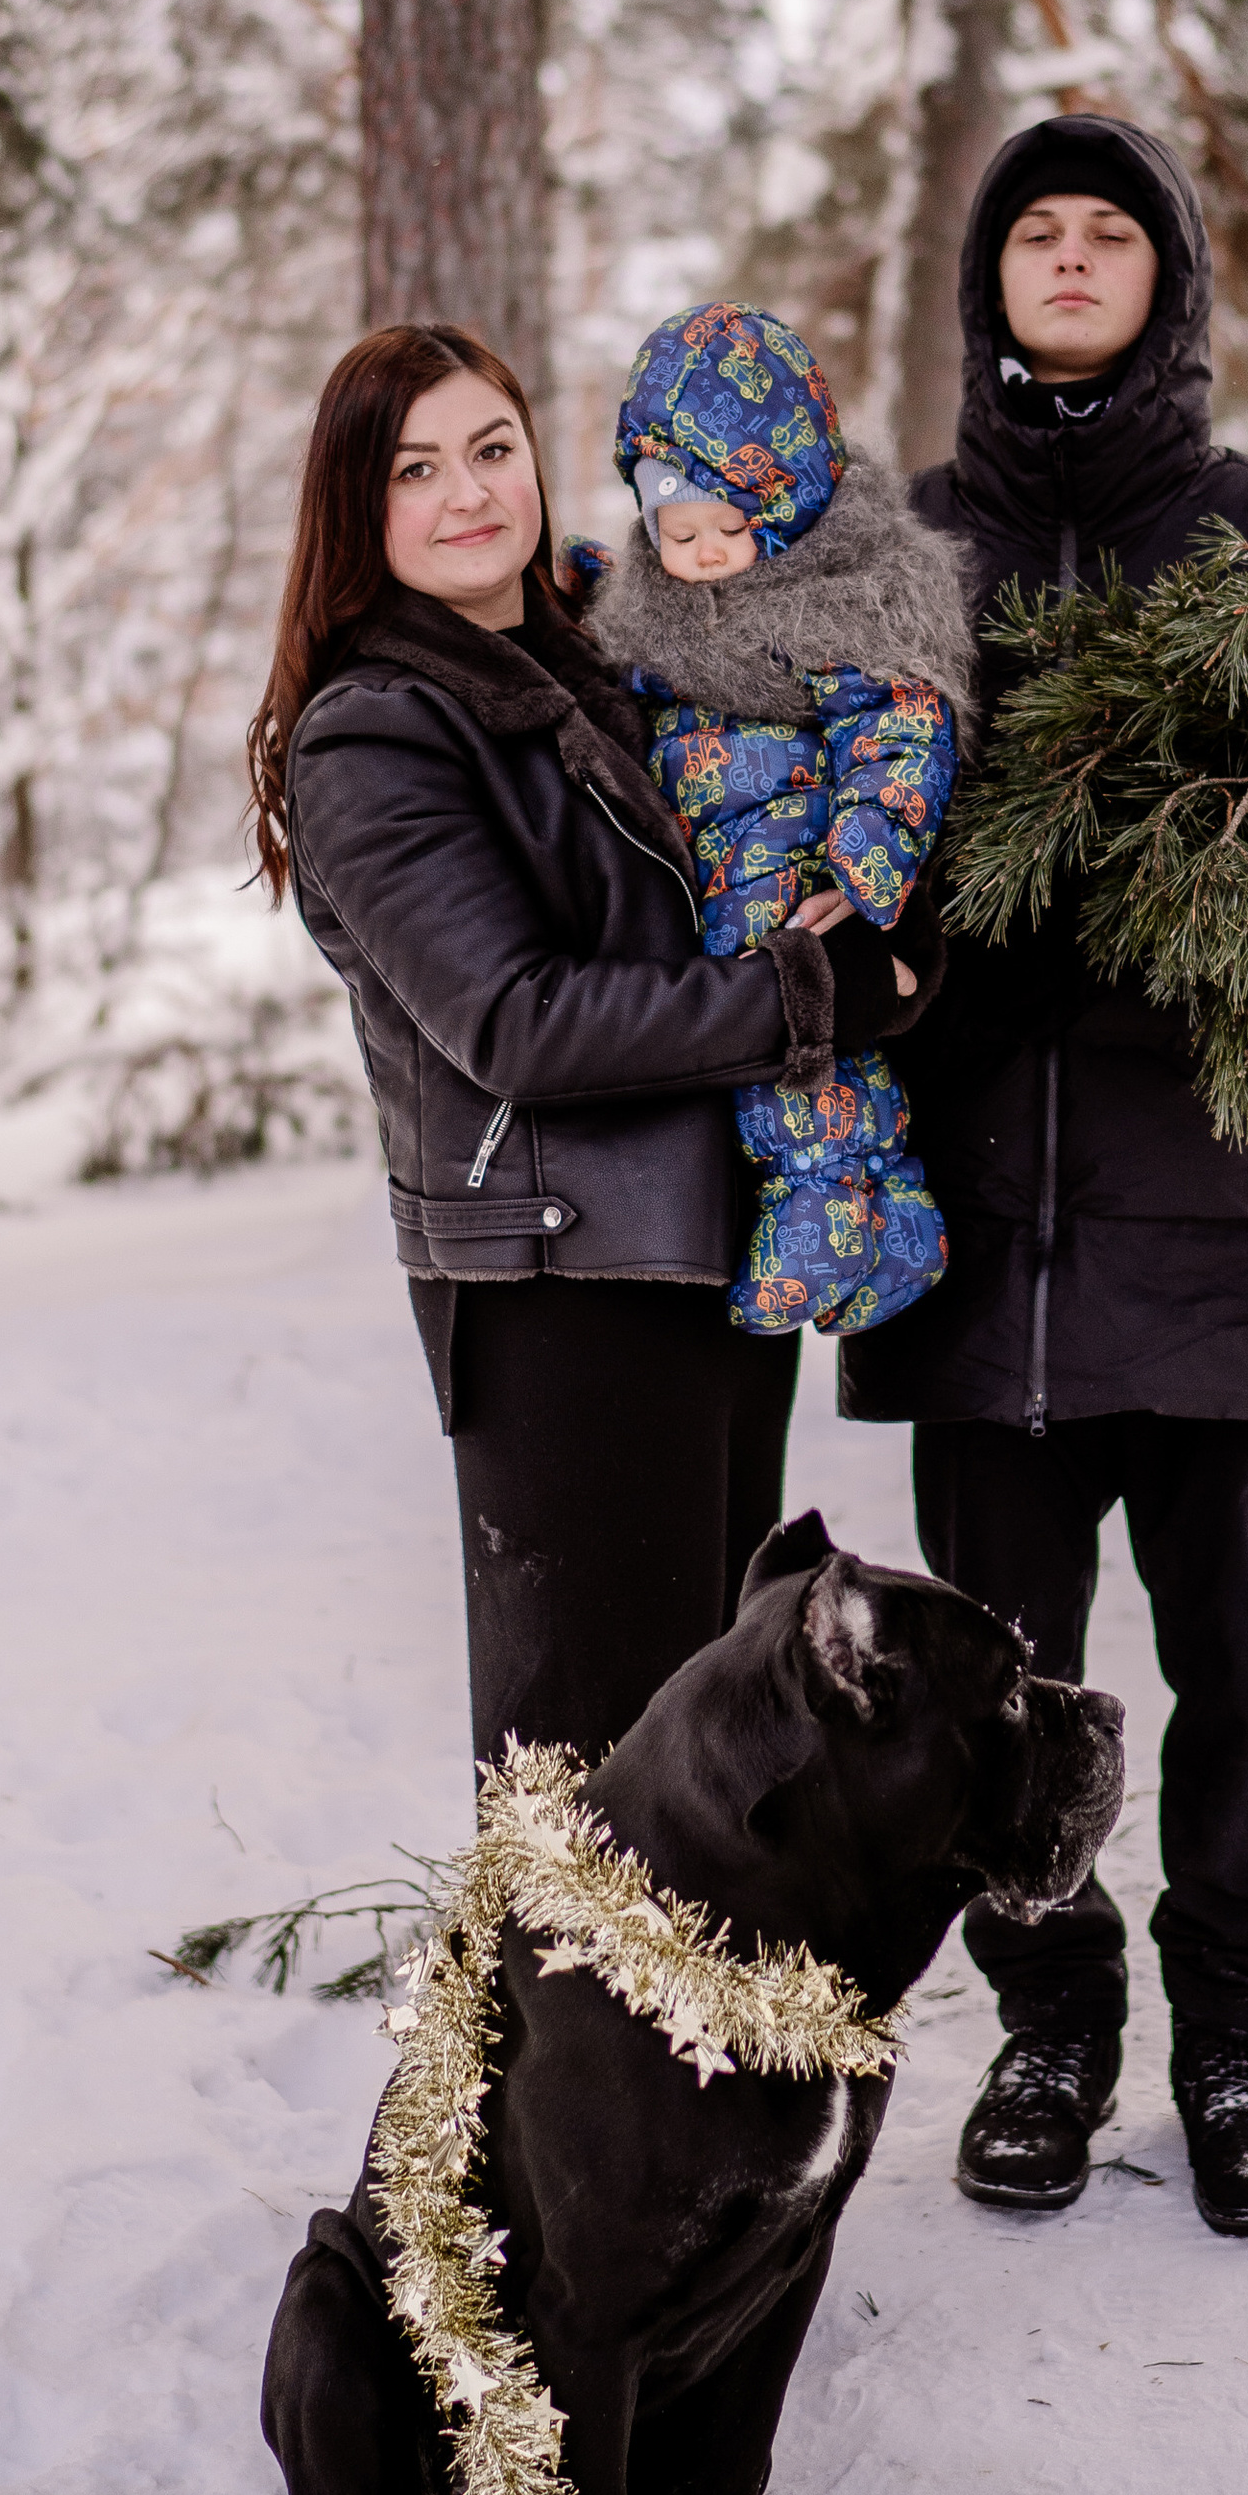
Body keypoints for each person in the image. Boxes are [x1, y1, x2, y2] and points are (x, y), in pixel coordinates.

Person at [840, 117, 1248, 2240]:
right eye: (1034, 235)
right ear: (983, 284)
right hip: (978, 1237)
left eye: (1111, 235)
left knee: (1241, 1673)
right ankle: (1047, 2021)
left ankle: (1237, 2038)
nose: (1069, 260)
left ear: (1167, 284)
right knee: (990, 1678)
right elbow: (813, 832)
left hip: (1230, 1231)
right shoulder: (896, 548)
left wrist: (1205, 846)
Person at [249, 323, 935, 1774]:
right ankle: (544, 2012)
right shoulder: (379, 731)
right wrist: (814, 997)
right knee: (597, 1756)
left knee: (710, 1750)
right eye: (416, 469)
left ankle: (710, 2017)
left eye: (493, 450)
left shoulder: (599, 664)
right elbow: (518, 1024)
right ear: (358, 509)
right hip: (562, 1295)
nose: (469, 494)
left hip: (699, 1259)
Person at [574, 299, 969, 1336]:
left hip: (791, 872)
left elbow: (901, 725)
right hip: (712, 872)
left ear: (783, 511)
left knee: (803, 1058)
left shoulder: (837, 611)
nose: (701, 555)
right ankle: (885, 1227)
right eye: (678, 531)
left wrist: (863, 859)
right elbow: (637, 668)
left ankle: (828, 1225)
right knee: (785, 1059)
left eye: (727, 530)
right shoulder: (660, 610)